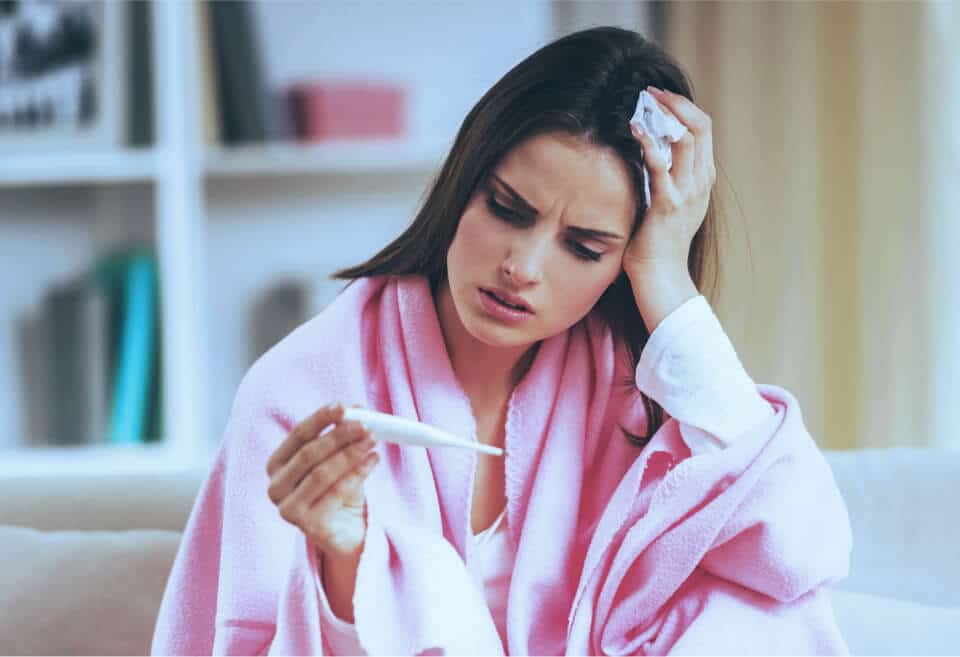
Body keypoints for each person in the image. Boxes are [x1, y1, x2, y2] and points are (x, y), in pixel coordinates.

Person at [152, 26, 852, 656]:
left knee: (749, 608)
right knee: (430, 582)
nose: (523, 266)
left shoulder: (629, 394)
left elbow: (798, 553)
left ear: (623, 262)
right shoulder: (301, 395)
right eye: (506, 208)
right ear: (462, 182)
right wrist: (345, 562)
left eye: (584, 246)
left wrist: (669, 284)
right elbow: (242, 641)